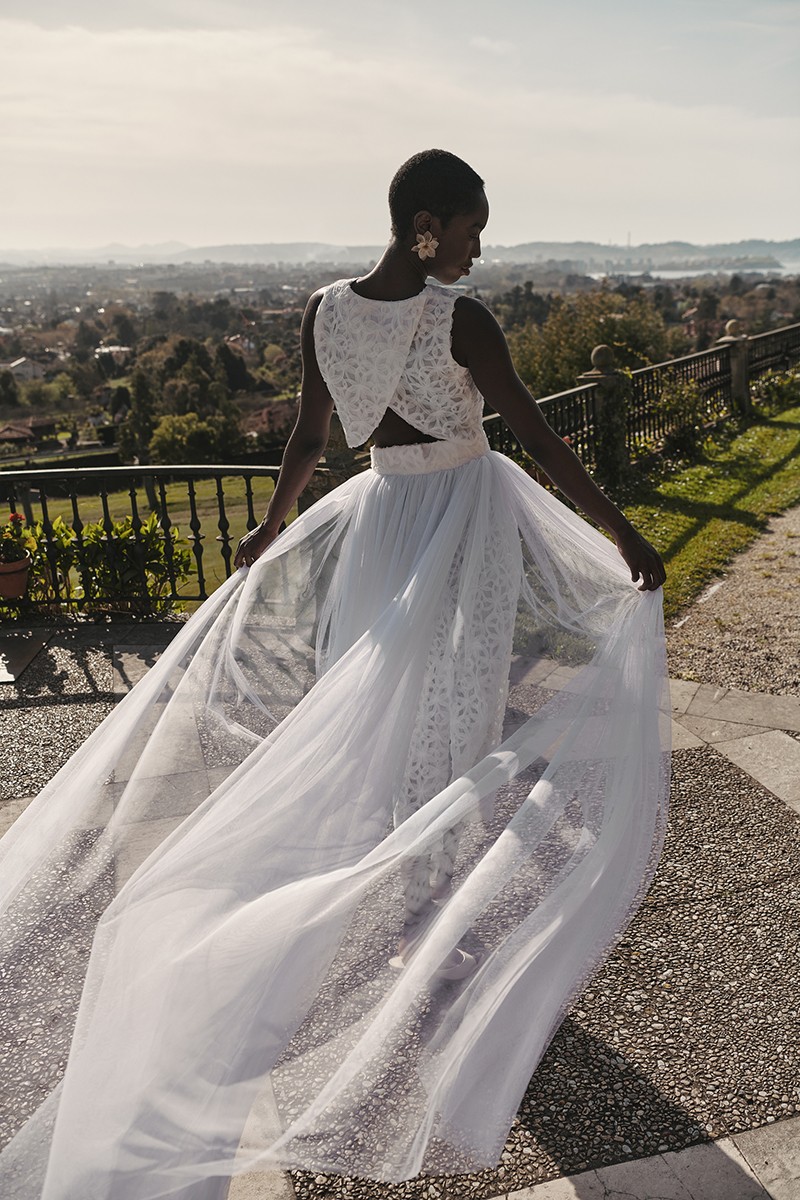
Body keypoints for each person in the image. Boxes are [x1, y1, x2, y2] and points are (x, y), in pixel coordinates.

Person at [0, 151, 669, 1199]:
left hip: (378, 523)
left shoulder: (321, 309)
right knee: (453, 719)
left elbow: (310, 439)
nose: (479, 247)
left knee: (393, 722)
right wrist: (622, 531)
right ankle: (435, 923)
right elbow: (533, 434)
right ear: (424, 227)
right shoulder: (461, 319)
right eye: (470, 229)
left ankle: (420, 916)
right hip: (460, 522)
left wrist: (272, 528)